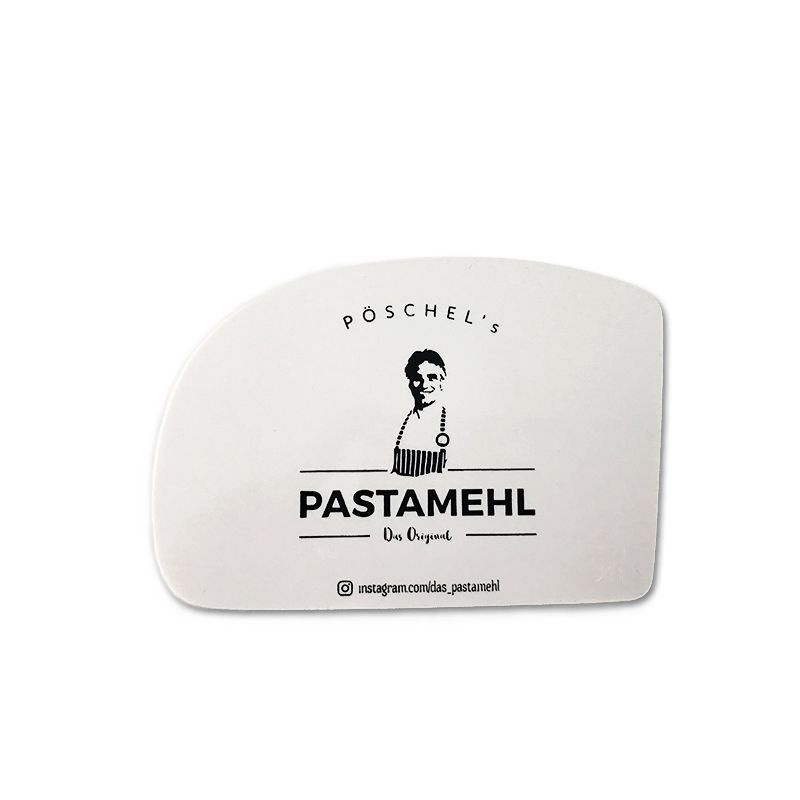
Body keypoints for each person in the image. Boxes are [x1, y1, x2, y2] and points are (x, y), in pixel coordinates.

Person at [391, 349, 449, 476]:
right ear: (410, 384)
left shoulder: (454, 425)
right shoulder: (395, 425)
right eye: (417, 378)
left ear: (442, 381)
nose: (425, 385)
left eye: (432, 378)